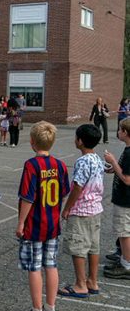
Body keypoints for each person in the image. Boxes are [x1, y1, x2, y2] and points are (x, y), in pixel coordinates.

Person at [14, 121, 70, 311]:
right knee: (51, 265)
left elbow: (28, 197)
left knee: (34, 267)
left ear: (32, 142)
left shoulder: (32, 165)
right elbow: (63, 192)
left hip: (35, 225)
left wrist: (20, 223)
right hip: (52, 224)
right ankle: (50, 308)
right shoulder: (60, 165)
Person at [59, 124, 104, 297]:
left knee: (78, 246)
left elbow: (77, 186)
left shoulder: (82, 161)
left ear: (80, 141)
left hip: (81, 210)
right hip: (96, 208)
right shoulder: (97, 158)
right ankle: (92, 280)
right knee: (93, 246)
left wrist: (66, 208)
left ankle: (80, 284)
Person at [102, 117, 130, 279]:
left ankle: (127, 265)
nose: (118, 132)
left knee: (124, 232)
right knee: (124, 232)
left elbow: (127, 179)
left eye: (120, 130)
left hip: (125, 200)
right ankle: (124, 259)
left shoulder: (129, 153)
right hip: (124, 200)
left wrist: (113, 161)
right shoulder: (127, 150)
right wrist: (114, 168)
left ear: (125, 133)